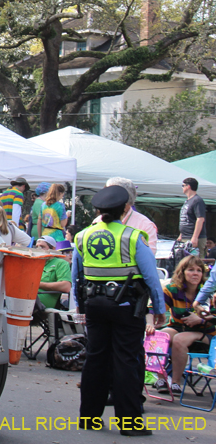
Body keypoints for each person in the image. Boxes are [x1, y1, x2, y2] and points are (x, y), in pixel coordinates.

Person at [72, 185, 166, 435]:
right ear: (125, 208)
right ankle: (129, 424)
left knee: (95, 358)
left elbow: (76, 277)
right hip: (126, 307)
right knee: (126, 360)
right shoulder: (133, 237)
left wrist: (80, 305)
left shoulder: (82, 236)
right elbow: (151, 278)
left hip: (94, 306)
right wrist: (159, 308)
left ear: (98, 210)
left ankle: (89, 418)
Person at [146, 255, 216, 396]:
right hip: (178, 327)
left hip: (207, 332)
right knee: (160, 335)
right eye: (190, 270)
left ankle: (176, 383)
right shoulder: (173, 290)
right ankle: (161, 378)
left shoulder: (208, 292)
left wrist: (201, 320)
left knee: (180, 339)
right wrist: (149, 324)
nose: (195, 273)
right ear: (182, 272)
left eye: (199, 270)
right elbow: (151, 308)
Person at [92, 177, 158, 254]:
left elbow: (148, 258)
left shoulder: (145, 225)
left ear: (126, 203)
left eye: (110, 195)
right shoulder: (98, 221)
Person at [35, 235, 71, 309]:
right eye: (37, 247)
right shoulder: (33, 262)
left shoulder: (60, 263)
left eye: (42, 247)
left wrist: (37, 284)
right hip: (28, 296)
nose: (39, 249)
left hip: (39, 301)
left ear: (53, 249)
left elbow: (66, 286)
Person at [178, 177, 207, 257]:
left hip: (194, 237)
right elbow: (187, 218)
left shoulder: (197, 200)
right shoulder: (187, 201)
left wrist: (195, 237)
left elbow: (200, 219)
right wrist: (181, 234)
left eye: (183, 185)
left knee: (195, 262)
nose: (182, 187)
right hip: (185, 236)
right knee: (185, 262)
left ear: (188, 186)